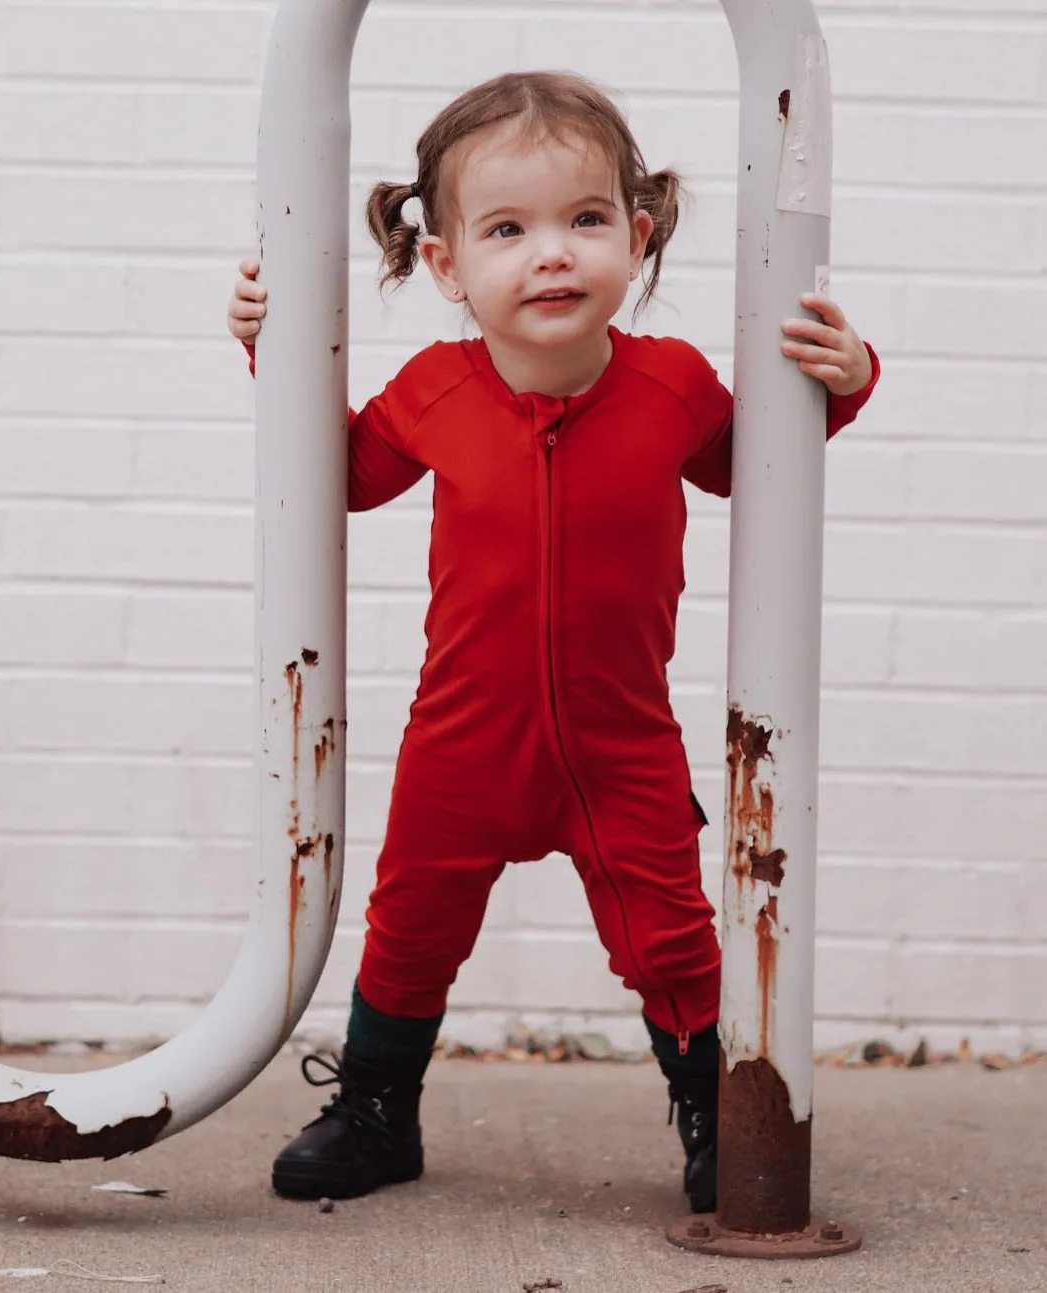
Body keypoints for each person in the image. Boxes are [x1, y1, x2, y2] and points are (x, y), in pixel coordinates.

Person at [227, 70, 879, 1213]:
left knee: (674, 940)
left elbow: (758, 470)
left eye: (585, 221)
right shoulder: (435, 391)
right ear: (446, 265)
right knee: (408, 930)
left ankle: (709, 1109)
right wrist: (270, 349)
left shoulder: (672, 387)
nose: (552, 254)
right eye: (508, 230)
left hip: (623, 745)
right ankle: (378, 1107)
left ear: (636, 235)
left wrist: (848, 383)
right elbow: (332, 474)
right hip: (464, 742)